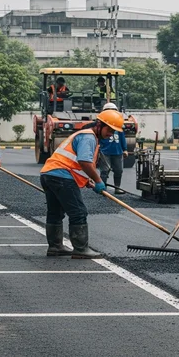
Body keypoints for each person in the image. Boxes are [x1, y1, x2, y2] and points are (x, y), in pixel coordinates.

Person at [39, 109, 125, 259]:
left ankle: (55, 247)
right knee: (78, 212)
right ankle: (80, 249)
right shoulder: (88, 137)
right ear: (99, 125)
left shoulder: (84, 136)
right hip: (62, 177)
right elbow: (84, 161)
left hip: (49, 174)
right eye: (109, 130)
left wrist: (87, 181)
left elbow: (74, 164)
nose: (111, 134)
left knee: (55, 212)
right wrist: (98, 180)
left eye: (114, 132)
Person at [98, 102, 128, 195]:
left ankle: (117, 188)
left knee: (119, 170)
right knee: (104, 170)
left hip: (117, 151)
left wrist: (125, 149)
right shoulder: (101, 125)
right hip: (104, 151)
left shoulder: (118, 124)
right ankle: (103, 189)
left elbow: (122, 137)